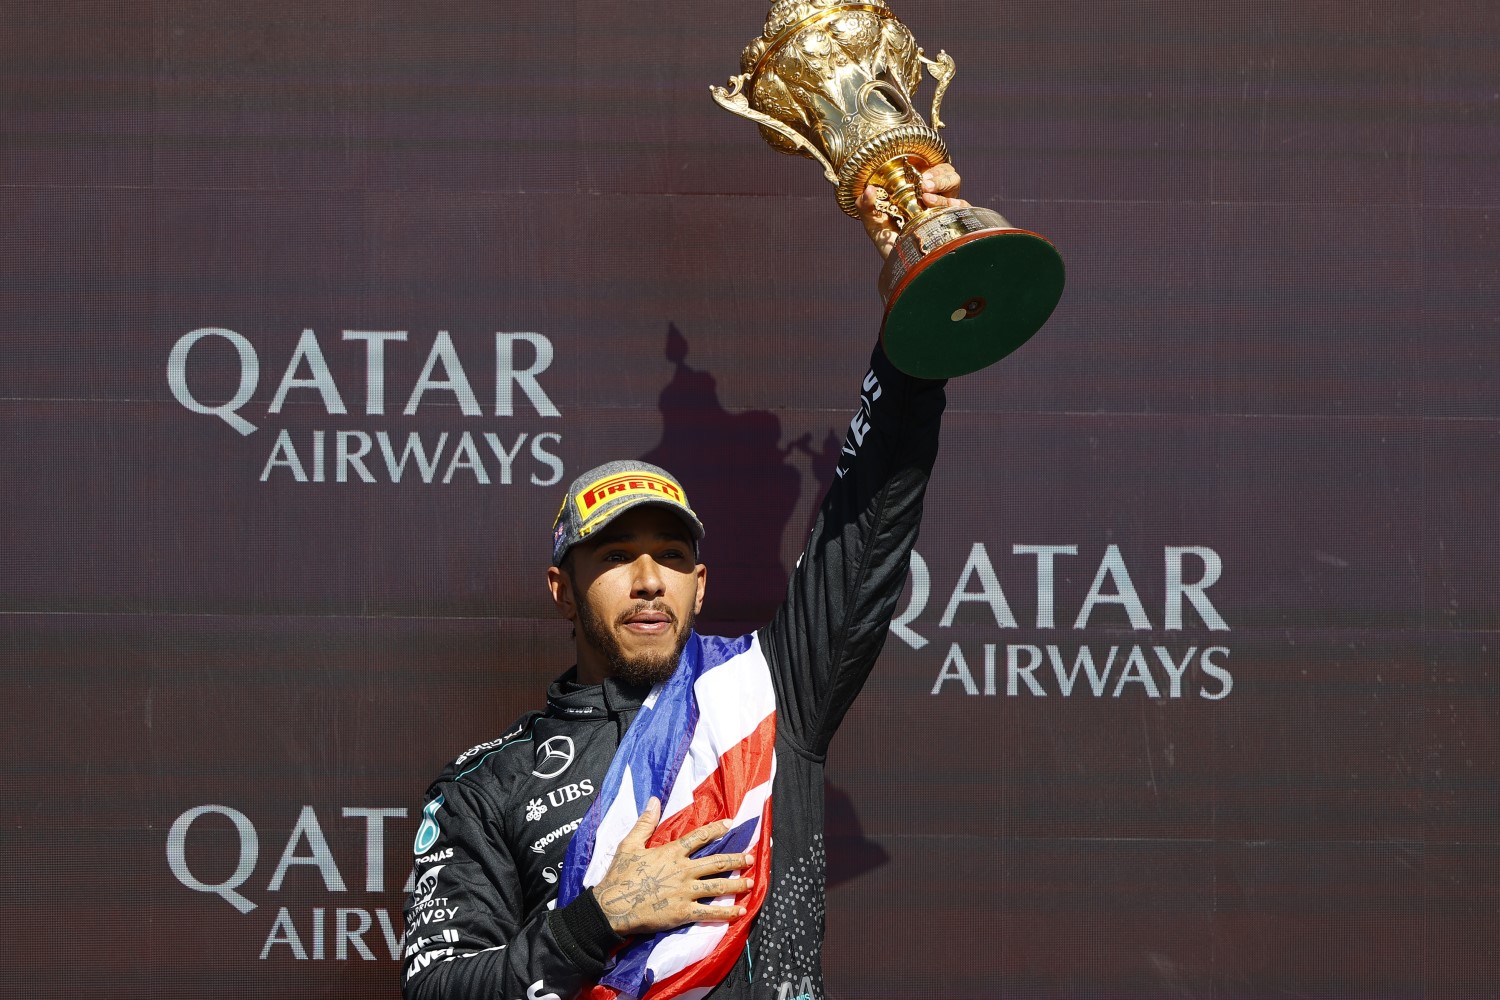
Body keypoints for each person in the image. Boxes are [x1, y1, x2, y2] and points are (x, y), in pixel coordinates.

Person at [401, 165, 966, 1000]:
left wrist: (922, 288)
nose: (645, 580)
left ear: (701, 585)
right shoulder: (489, 785)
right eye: (613, 557)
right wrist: (596, 921)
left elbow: (871, 517)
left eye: (669, 557)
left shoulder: (772, 692)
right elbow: (437, 993)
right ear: (561, 589)